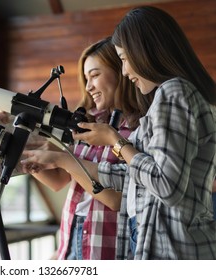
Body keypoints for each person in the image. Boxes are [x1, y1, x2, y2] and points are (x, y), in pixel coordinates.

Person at [67, 6, 216, 259]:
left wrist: (115, 141)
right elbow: (135, 176)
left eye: (124, 59)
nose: (125, 71)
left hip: (176, 252)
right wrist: (62, 157)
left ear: (144, 51)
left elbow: (167, 185)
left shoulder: (173, 92)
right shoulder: (165, 99)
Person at [18, 37, 152, 259]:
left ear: (121, 71)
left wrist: (62, 159)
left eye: (95, 75)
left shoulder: (140, 128)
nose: (88, 87)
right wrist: (21, 151)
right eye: (86, 78)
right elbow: (60, 180)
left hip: (106, 245)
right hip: (73, 235)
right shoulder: (89, 121)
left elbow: (117, 199)